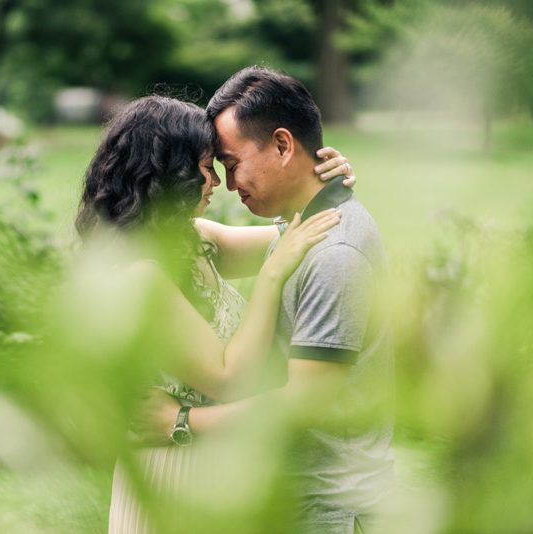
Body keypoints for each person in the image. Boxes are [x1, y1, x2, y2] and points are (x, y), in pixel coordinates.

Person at [73, 95, 357, 534]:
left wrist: (323, 182)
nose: (217, 183)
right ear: (170, 172)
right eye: (207, 167)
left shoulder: (194, 239)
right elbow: (229, 376)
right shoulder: (138, 275)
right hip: (172, 475)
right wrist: (269, 280)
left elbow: (297, 233)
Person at [134, 67, 396, 534]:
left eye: (231, 164)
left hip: (328, 507)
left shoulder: (334, 252)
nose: (226, 185)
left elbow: (305, 403)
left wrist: (181, 423)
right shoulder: (297, 230)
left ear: (281, 145)